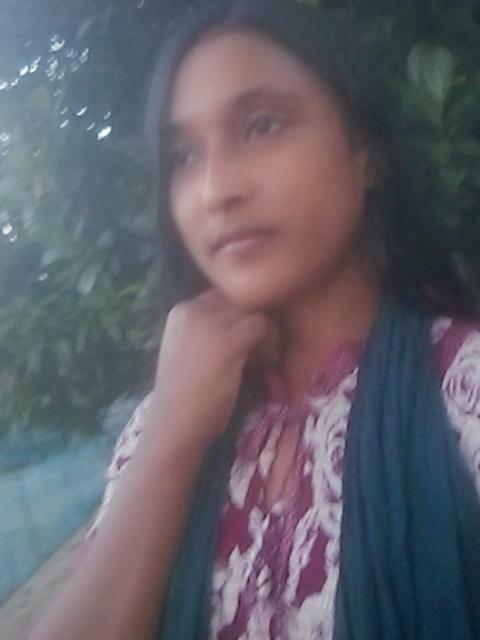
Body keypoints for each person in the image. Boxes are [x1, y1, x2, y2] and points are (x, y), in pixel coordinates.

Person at [29, 1, 480, 639]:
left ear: (366, 152)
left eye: (262, 125)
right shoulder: (160, 427)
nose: (216, 191)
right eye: (183, 157)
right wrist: (171, 436)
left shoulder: (461, 396)